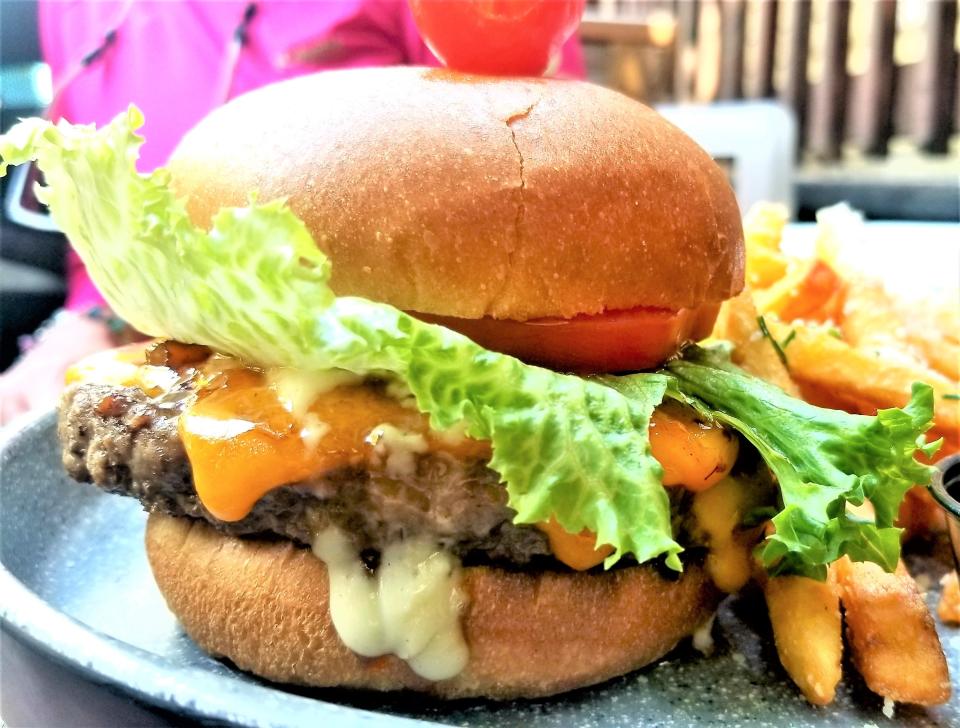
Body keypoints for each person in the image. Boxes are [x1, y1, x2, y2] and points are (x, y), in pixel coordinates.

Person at [0, 0, 585, 423]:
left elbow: (540, 181)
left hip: (418, 367)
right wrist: (89, 320)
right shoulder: (67, 8)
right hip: (151, 358)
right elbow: (103, 213)